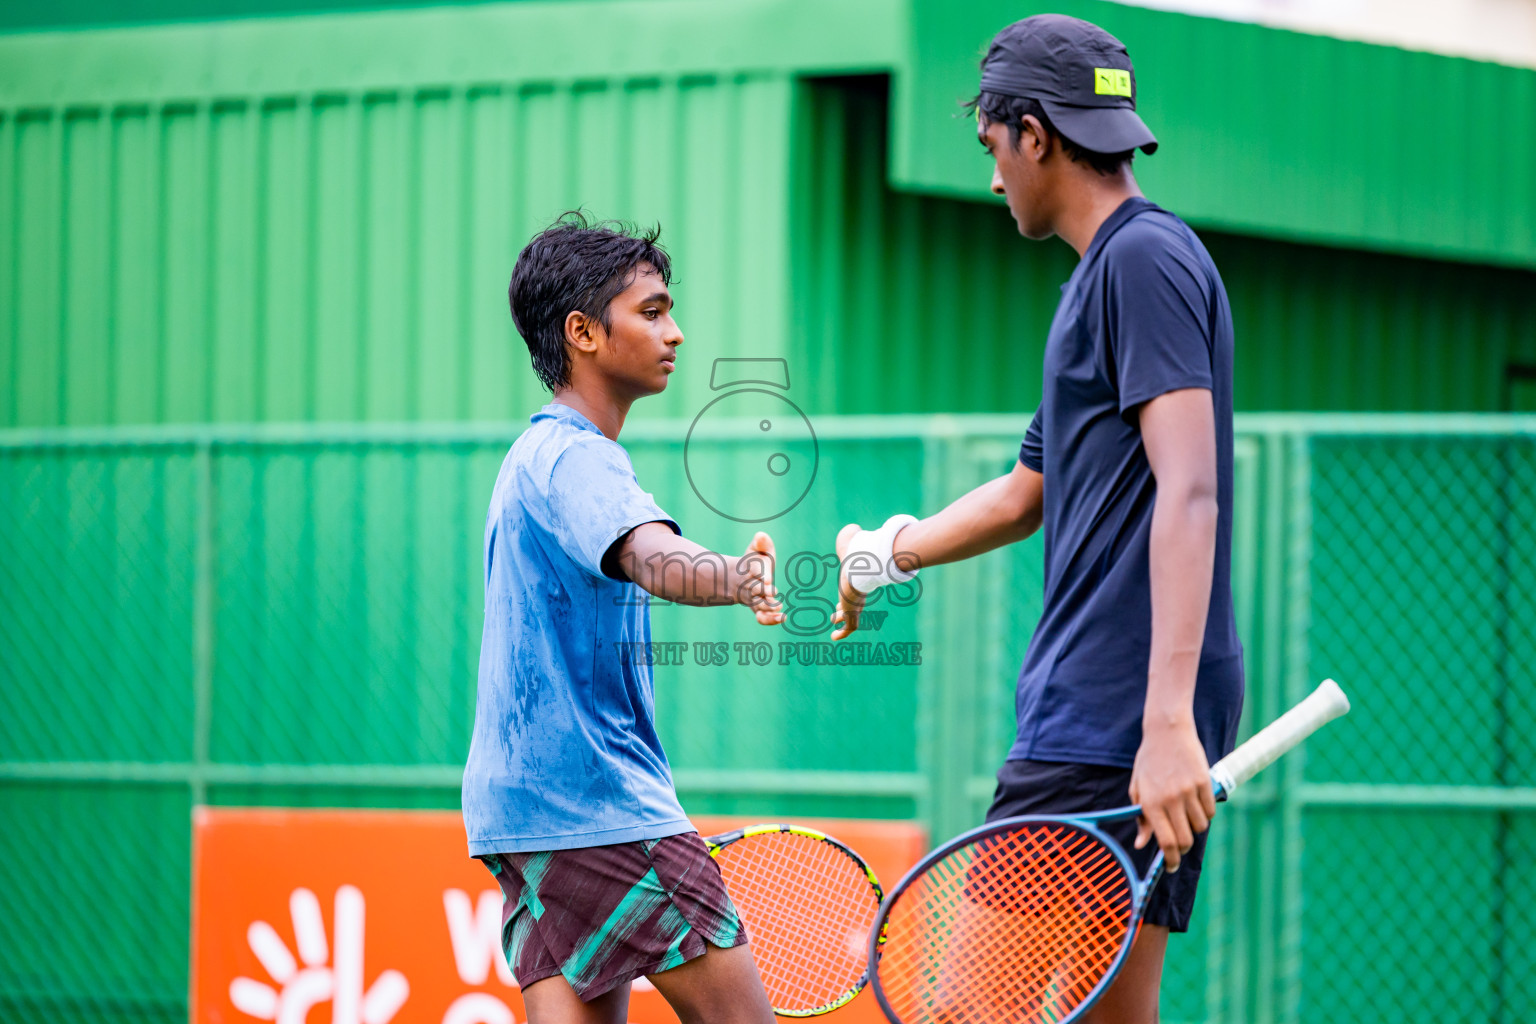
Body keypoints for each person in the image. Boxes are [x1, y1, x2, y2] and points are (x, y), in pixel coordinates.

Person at [830, 15, 1243, 1022]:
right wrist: (886, 553)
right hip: (1126, 714)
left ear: (1037, 134)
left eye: (991, 147)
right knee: (1111, 1014)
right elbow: (1028, 493)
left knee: (971, 1012)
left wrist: (1164, 722)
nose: (991, 177)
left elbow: (1190, 488)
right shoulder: (1104, 279)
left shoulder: (1142, 263)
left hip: (1111, 718)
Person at [462, 212, 783, 1024]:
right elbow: (649, 556)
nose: (675, 332)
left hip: (520, 813)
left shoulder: (533, 458)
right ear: (583, 333)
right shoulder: (575, 456)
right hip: (595, 802)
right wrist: (738, 577)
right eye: (651, 310)